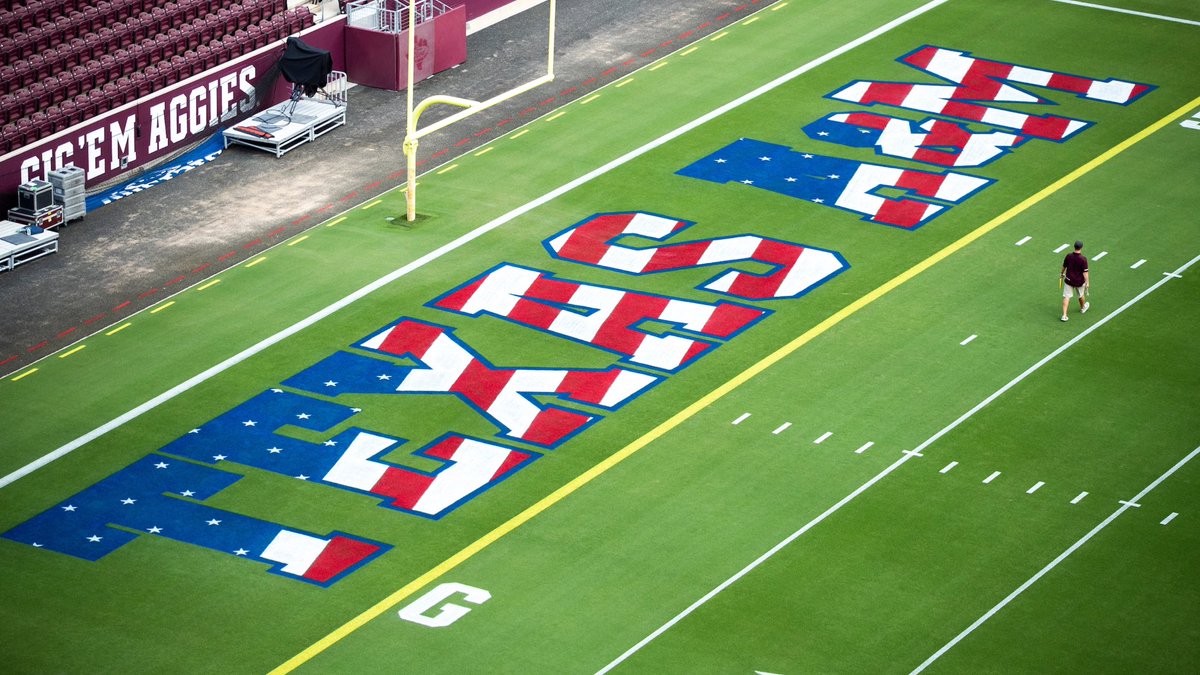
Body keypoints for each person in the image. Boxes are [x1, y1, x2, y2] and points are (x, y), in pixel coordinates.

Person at [1061, 240, 1089, 321]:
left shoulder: (1068, 256)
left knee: (1066, 297)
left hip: (1069, 280)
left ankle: (1064, 315)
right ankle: (1083, 308)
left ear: (1074, 247)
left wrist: (1061, 273)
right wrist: (1087, 282)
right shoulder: (1083, 259)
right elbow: (1085, 272)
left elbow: (1064, 266)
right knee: (1081, 295)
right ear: (1081, 247)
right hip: (1079, 281)